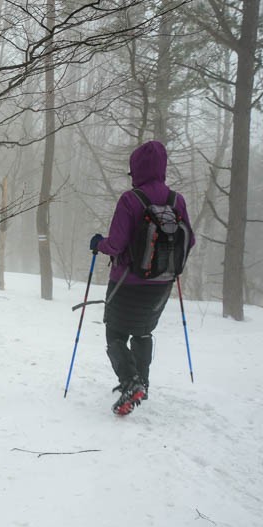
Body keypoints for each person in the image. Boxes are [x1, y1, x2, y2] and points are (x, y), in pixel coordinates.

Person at [90, 140, 195, 415]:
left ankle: (130, 381)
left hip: (127, 282)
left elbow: (115, 245)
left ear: (136, 168)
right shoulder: (177, 200)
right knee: (143, 330)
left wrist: (98, 243)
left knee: (115, 332)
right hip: (162, 284)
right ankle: (142, 383)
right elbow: (190, 240)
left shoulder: (130, 199)